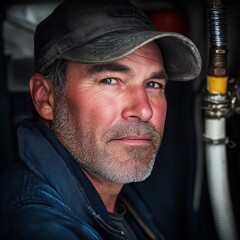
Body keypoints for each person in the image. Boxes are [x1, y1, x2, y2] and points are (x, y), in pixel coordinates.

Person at [0, 0, 201, 239]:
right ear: (46, 99)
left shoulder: (110, 192)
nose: (144, 110)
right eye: (110, 80)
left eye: (153, 84)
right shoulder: (36, 225)